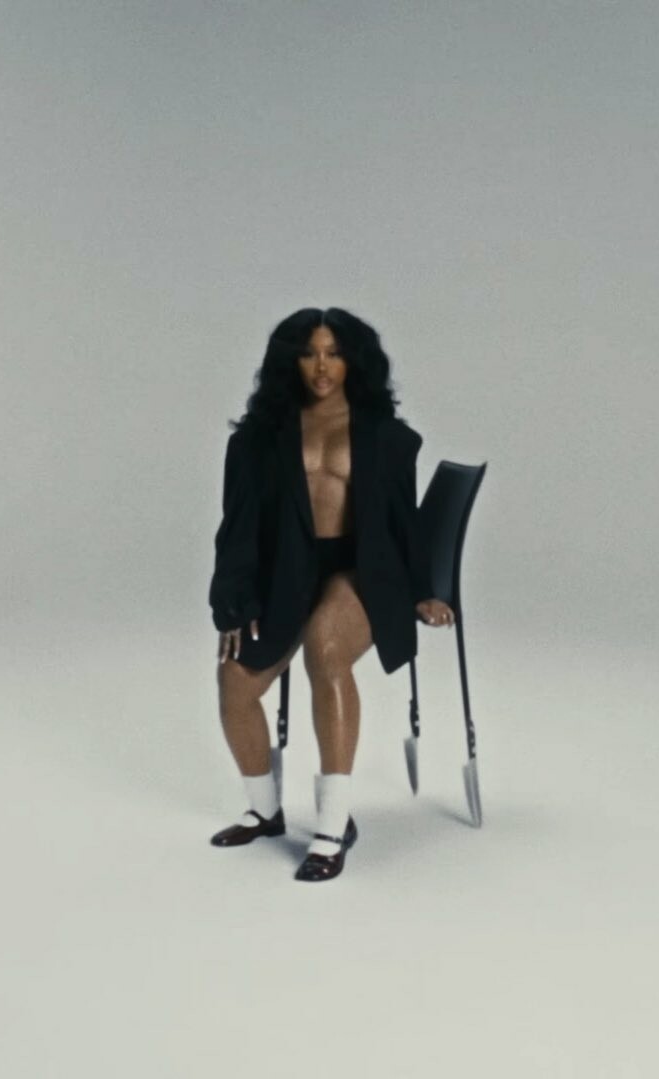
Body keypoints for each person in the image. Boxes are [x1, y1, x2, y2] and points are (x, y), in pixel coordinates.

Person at [207, 307, 455, 882]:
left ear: (354, 362)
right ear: (289, 362)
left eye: (334, 354)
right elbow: (237, 527)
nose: (322, 366)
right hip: (286, 572)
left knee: (325, 648)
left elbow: (404, 523)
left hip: (361, 570)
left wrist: (424, 591)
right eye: (309, 354)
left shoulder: (388, 437)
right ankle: (264, 811)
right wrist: (233, 602)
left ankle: (332, 825)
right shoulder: (257, 440)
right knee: (235, 682)